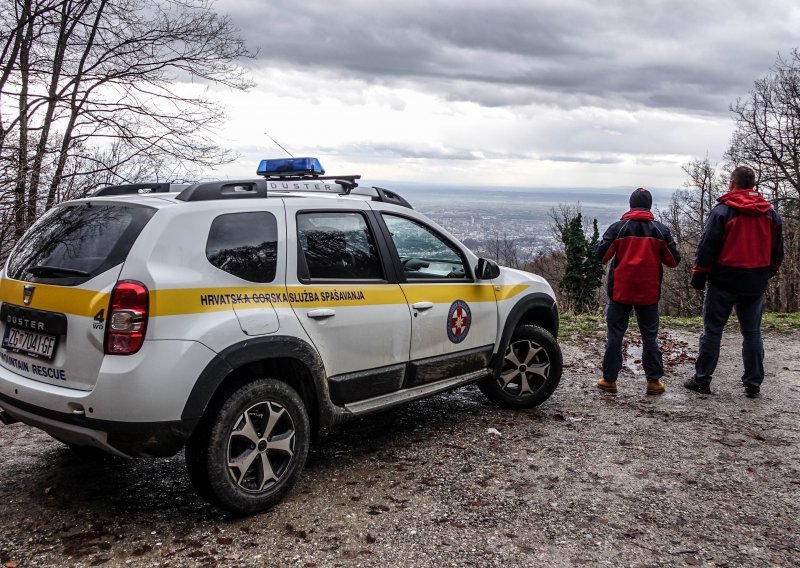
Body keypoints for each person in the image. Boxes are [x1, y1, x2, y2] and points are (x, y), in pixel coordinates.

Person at [685, 166, 784, 398]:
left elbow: (707, 247)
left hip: (723, 281)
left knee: (712, 331)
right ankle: (753, 383)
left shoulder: (723, 212)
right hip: (755, 281)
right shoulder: (770, 214)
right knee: (752, 333)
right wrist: (765, 274)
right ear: (753, 184)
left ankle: (702, 379)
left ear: (732, 183)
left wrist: (698, 279)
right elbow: (778, 253)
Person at [595, 188, 681, 395]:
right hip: (648, 293)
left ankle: (609, 380)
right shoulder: (660, 231)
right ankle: (653, 381)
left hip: (620, 291)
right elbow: (673, 260)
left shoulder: (618, 228)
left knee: (615, 334)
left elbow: (602, 255)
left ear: (631, 204)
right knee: (649, 336)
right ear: (649, 206)